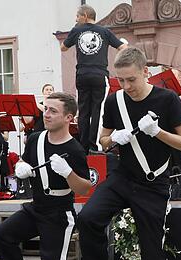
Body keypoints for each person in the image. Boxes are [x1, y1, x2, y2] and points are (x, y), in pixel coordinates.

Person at [77, 47, 181, 260]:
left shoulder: (167, 100)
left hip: (153, 183)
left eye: (131, 80)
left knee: (152, 258)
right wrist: (113, 139)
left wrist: (158, 132)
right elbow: (102, 139)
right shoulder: (114, 100)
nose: (126, 86)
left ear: (146, 72)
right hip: (123, 177)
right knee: (88, 218)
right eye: (120, 80)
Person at [0, 92, 90, 260]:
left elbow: (83, 188)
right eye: (46, 109)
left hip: (59, 212)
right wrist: (21, 167)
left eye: (53, 111)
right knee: (1, 235)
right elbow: (25, 163)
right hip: (36, 207)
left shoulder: (74, 149)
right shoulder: (35, 139)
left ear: (69, 117)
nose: (46, 114)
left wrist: (68, 173)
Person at [61, 4, 127, 153]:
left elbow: (63, 47)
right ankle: (95, 145)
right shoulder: (104, 31)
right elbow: (122, 47)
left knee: (84, 111)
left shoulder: (76, 30)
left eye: (77, 16)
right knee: (98, 109)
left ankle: (83, 146)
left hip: (82, 74)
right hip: (99, 74)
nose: (76, 19)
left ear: (85, 15)